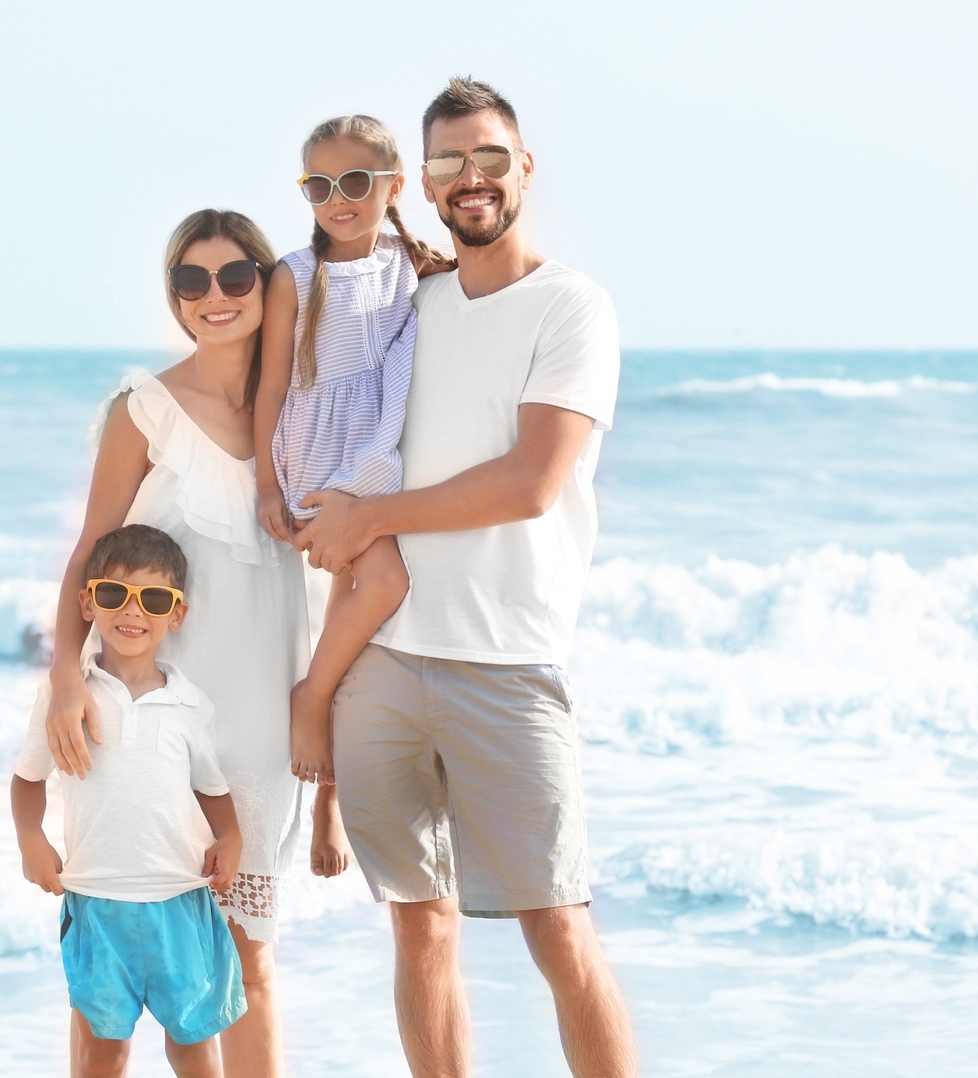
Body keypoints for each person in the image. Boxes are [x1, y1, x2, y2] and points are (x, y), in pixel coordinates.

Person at [294, 78, 638, 1077]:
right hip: (387, 664)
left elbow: (532, 483)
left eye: (488, 157)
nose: (470, 178)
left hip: (508, 665)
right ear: (425, 182)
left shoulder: (571, 307)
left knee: (558, 929)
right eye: (448, 162)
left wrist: (375, 518)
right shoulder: (413, 304)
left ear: (523, 168)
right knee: (419, 928)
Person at [42, 210, 309, 1077]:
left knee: (245, 957)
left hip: (261, 725)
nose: (214, 298)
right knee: (114, 966)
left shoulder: (303, 415)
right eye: (190, 282)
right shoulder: (145, 408)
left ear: (268, 289)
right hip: (145, 721)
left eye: (236, 278)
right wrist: (64, 683)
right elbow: (92, 553)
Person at [252, 115, 453, 826]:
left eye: (357, 182)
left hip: (375, 438)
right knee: (383, 581)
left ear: (394, 185)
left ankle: (328, 794)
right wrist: (268, 485)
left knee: (352, 603)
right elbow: (272, 388)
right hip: (319, 449)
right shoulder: (295, 276)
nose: (338, 199)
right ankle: (312, 701)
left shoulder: (410, 260)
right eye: (319, 186)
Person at [12, 524, 245, 1078]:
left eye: (154, 599)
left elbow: (211, 787)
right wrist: (30, 840)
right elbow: (27, 779)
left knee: (192, 1048)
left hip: (179, 901)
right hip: (96, 903)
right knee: (102, 1054)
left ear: (176, 614)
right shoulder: (67, 696)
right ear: (88, 601)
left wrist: (231, 837)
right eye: (115, 594)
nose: (132, 611)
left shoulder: (191, 704)